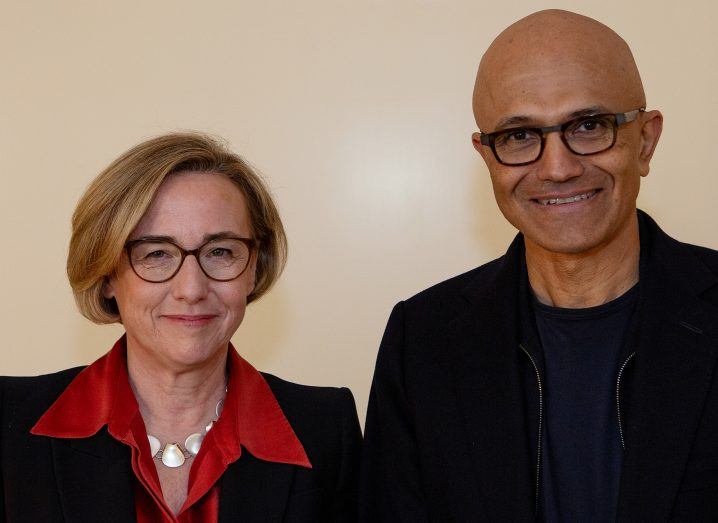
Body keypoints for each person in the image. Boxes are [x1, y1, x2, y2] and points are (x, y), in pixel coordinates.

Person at [360, 9, 718, 522]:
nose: (558, 168)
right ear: (486, 157)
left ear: (645, 140)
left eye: (589, 125)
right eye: (520, 136)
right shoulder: (422, 342)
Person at [0, 132, 361, 522]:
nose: (191, 289)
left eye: (220, 251)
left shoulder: (325, 429)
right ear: (106, 274)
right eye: (156, 253)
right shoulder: (10, 423)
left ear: (254, 268)